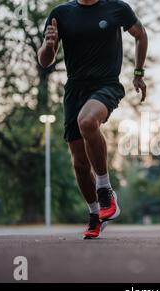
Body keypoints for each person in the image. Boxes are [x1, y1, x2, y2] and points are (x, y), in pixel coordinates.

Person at [38, 0, 148, 239]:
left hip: (106, 85)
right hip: (75, 89)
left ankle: (105, 188)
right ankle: (95, 214)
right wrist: (49, 45)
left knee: (87, 121)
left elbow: (140, 35)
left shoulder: (117, 8)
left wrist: (138, 72)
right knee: (78, 163)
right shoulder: (60, 14)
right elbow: (44, 60)